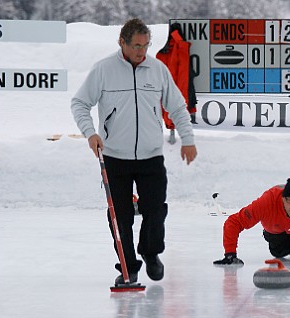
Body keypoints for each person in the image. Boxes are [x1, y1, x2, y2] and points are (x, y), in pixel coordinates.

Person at [71, 18, 197, 285]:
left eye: (146, 45)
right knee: (120, 216)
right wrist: (90, 133)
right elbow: (80, 103)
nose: (142, 51)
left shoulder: (157, 69)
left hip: (151, 156)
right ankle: (128, 267)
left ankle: (151, 253)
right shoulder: (104, 69)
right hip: (115, 156)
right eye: (137, 46)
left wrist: (188, 139)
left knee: (155, 210)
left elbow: (177, 106)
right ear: (122, 43)